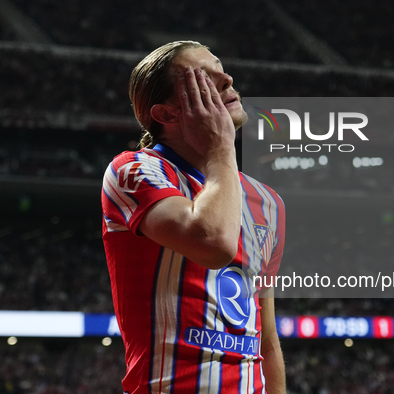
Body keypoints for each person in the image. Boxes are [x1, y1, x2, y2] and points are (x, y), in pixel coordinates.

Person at [101, 41, 286, 394]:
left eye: (221, 68)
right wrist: (221, 148)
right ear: (167, 114)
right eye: (203, 79)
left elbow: (267, 339)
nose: (227, 79)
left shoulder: (268, 202)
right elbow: (213, 243)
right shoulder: (134, 170)